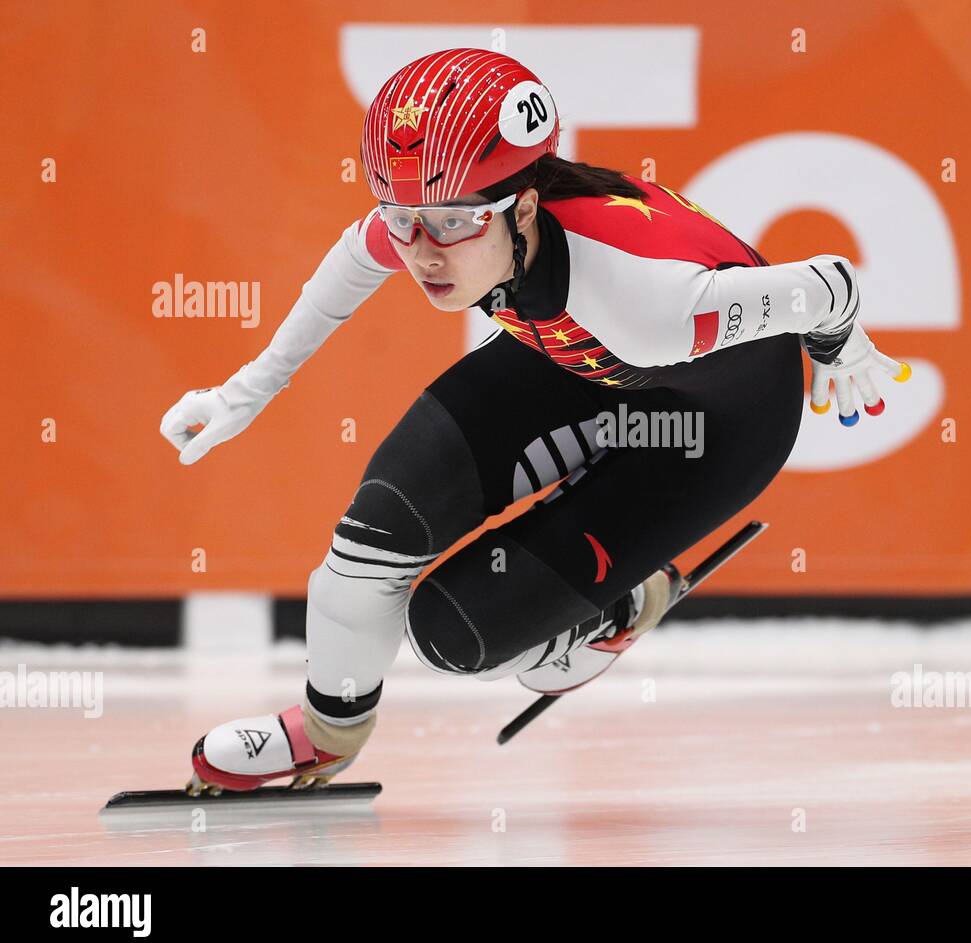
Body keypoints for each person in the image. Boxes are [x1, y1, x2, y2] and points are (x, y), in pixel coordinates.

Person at [159, 48, 909, 793]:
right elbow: (345, 273)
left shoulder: (641, 301)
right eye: (403, 219)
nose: (421, 251)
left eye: (450, 224)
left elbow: (828, 284)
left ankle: (620, 607)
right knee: (370, 538)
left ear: (522, 207)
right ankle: (323, 738)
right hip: (576, 362)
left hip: (714, 426)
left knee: (462, 635)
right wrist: (240, 395)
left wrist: (842, 351)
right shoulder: (456, 213)